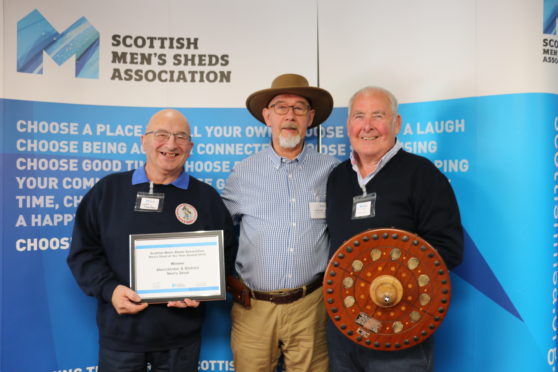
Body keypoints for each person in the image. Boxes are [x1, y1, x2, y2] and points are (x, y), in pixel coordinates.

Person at [67, 109, 236, 372]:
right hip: (121, 336)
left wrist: (202, 291)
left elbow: (226, 254)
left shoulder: (206, 198)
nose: (171, 144)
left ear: (190, 147)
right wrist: (110, 290)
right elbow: (84, 252)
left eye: (180, 137)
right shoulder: (108, 191)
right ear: (143, 140)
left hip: (180, 340)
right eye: (162, 135)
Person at [325, 86, 464, 372]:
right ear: (348, 124)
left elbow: (448, 249)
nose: (367, 126)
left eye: (378, 116)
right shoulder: (337, 178)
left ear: (396, 123)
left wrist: (394, 277)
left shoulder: (422, 175)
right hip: (344, 329)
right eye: (359, 116)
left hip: (400, 331)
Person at [221, 73, 339, 372]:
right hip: (253, 308)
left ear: (310, 117)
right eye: (280, 107)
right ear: (267, 116)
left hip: (311, 306)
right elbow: (216, 230)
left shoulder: (332, 171)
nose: (290, 115)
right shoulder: (244, 172)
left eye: (299, 108)